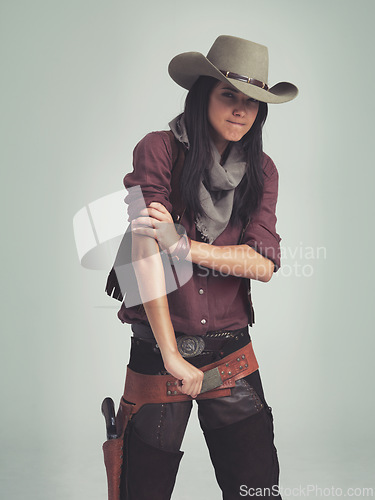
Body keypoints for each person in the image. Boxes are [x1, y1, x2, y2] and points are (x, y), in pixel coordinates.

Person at [110, 35, 298, 500]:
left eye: (252, 101)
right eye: (228, 95)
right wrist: (173, 355)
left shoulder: (263, 170)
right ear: (203, 96)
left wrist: (184, 247)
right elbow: (143, 245)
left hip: (232, 359)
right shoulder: (158, 150)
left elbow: (262, 264)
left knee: (255, 491)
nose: (241, 110)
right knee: (139, 492)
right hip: (159, 355)